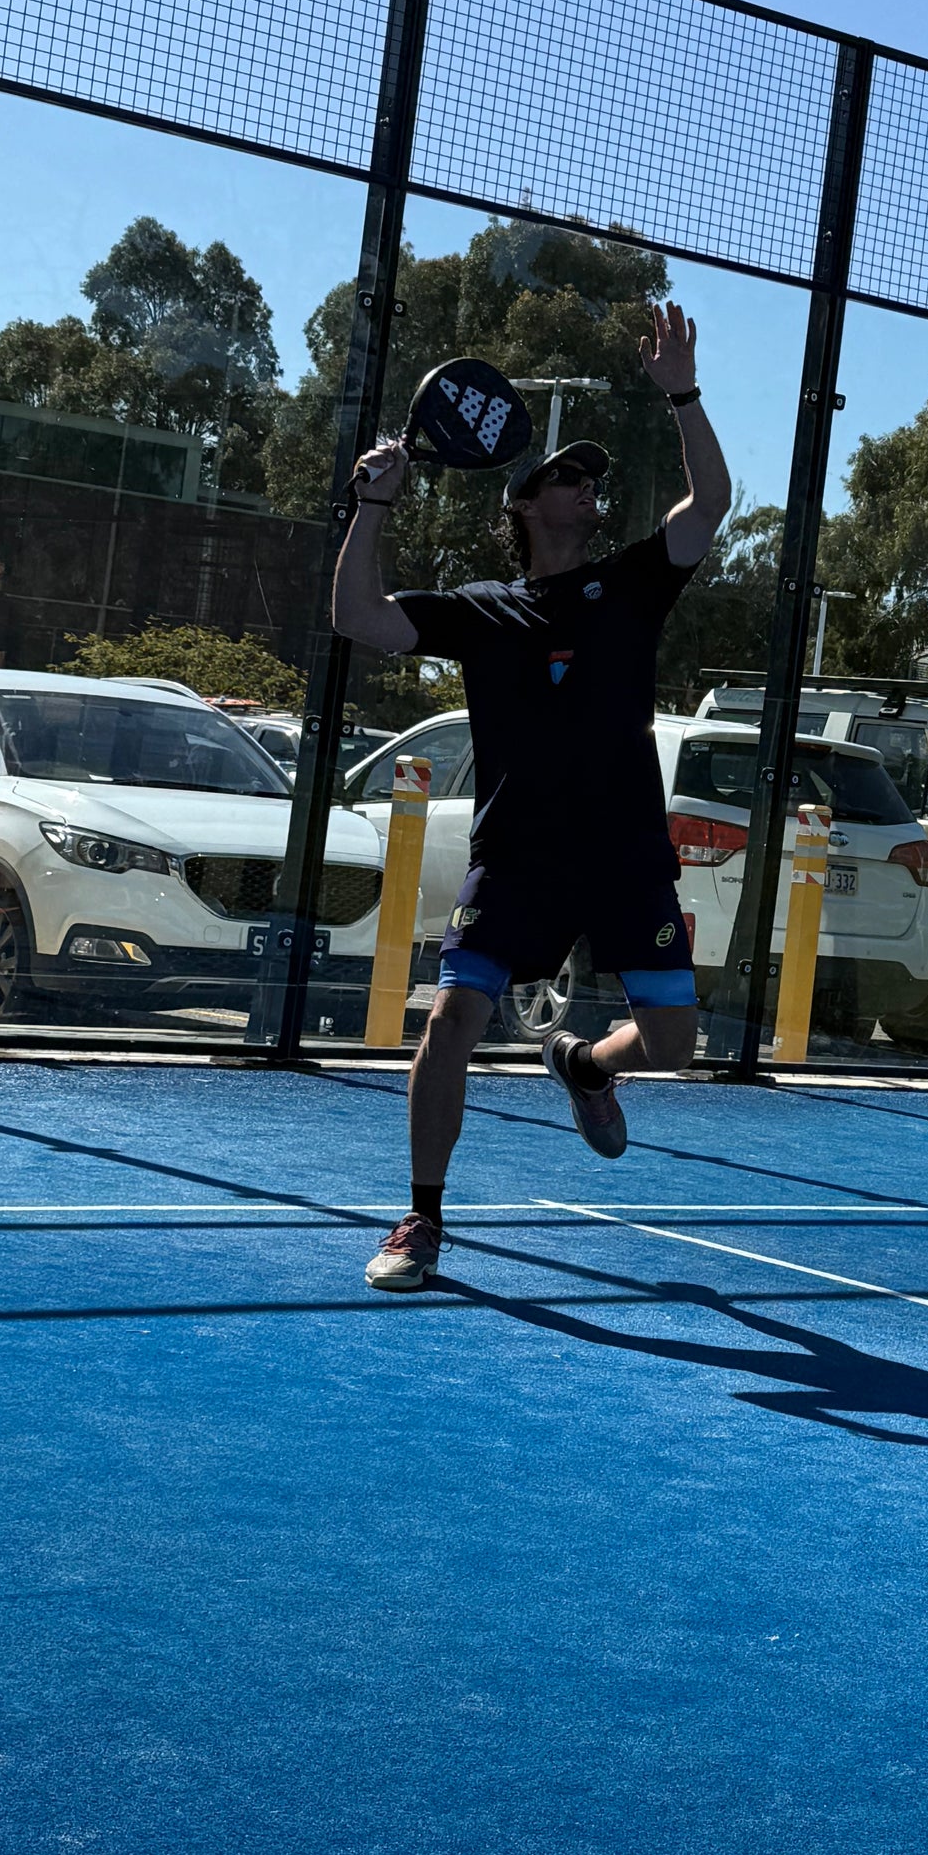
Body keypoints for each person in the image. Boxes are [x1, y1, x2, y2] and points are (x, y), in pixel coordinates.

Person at [335, 303, 730, 1291]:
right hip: (515, 860)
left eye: (593, 478)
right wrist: (371, 505)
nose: (589, 486)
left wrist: (683, 392)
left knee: (674, 1046)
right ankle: (422, 1219)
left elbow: (711, 502)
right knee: (449, 1024)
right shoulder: (482, 611)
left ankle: (586, 1066)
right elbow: (358, 617)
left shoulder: (631, 585)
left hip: (625, 858)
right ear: (519, 503)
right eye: (567, 476)